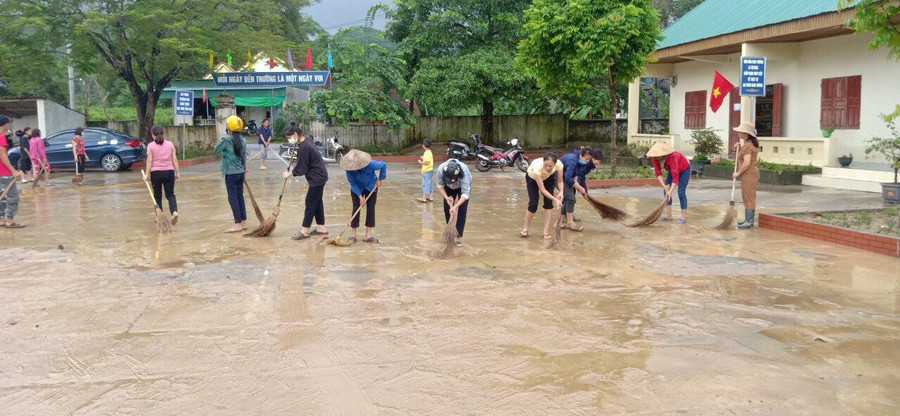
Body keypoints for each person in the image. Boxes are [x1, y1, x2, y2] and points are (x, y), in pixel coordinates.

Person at [282, 121, 329, 240]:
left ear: (296, 134)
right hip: (320, 175)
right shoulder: (306, 139)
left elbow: (302, 168)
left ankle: (305, 230)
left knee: (310, 203)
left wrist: (289, 174)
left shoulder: (305, 147)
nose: (289, 140)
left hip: (317, 177)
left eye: (290, 137)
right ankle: (321, 228)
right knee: (317, 202)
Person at [341, 149, 387, 243]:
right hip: (357, 188)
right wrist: (360, 197)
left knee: (371, 208)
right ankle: (353, 235)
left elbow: (383, 165)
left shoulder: (370, 164)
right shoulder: (349, 170)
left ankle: (368, 235)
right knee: (356, 208)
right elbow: (353, 184)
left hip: (371, 186)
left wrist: (380, 179)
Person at [215, 115, 249, 233]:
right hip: (240, 172)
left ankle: (237, 224)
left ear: (229, 127)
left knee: (233, 197)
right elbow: (244, 157)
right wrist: (244, 171)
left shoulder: (227, 140)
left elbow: (216, 149)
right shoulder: (243, 140)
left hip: (230, 173)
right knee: (240, 197)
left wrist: (225, 136)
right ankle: (243, 222)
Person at [521, 152, 564, 239]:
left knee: (548, 204)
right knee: (533, 204)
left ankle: (546, 232)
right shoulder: (537, 167)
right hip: (532, 179)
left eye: (550, 166)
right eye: (545, 165)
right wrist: (555, 199)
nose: (548, 168)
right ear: (543, 162)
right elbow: (542, 190)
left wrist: (561, 192)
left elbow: (560, 181)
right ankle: (525, 228)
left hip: (548, 178)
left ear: (555, 164)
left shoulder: (559, 164)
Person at [559, 147, 602, 231]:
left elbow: (581, 177)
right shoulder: (572, 160)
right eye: (586, 159)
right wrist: (579, 187)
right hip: (559, 177)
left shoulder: (584, 162)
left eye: (588, 159)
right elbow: (568, 177)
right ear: (580, 155)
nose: (587, 161)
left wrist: (585, 192)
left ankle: (560, 222)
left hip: (567, 177)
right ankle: (570, 222)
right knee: (570, 198)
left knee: (569, 198)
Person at [648, 142, 691, 223]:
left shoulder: (672, 156)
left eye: (658, 156)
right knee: (666, 192)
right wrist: (665, 187)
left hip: (684, 169)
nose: (657, 157)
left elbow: (675, 176)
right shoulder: (654, 158)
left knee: (681, 192)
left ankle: (683, 216)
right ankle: (669, 216)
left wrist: (670, 191)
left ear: (663, 154)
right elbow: (658, 173)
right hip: (671, 170)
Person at [146, 126, 180, 225]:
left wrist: (146, 174)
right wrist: (177, 172)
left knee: (157, 195)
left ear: (152, 135)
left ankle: (159, 217)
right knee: (170, 194)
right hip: (169, 172)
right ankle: (174, 212)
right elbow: (174, 159)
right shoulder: (170, 144)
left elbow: (150, 160)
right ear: (163, 133)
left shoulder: (151, 146)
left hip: (156, 173)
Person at [436, 157, 472, 247]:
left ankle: (457, 236)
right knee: (447, 209)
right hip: (448, 187)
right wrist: (446, 197)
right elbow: (440, 185)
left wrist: (455, 206)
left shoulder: (464, 172)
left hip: (462, 188)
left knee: (462, 210)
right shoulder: (441, 169)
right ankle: (450, 233)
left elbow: (465, 194)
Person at [732, 121, 760, 229]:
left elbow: (747, 162)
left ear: (746, 134)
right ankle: (748, 219)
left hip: (749, 174)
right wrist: (739, 147)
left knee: (749, 197)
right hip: (748, 174)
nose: (738, 133)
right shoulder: (747, 145)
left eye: (740, 131)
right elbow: (743, 157)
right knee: (747, 197)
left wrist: (738, 173)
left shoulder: (748, 146)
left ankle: (749, 221)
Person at [0, 115, 25, 228]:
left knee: (2, 196)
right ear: (5, 124)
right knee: (13, 197)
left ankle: (1, 220)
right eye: (9, 123)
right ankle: (9, 221)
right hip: (4, 172)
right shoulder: (1, 137)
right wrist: (13, 170)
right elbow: (2, 155)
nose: (9, 125)